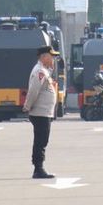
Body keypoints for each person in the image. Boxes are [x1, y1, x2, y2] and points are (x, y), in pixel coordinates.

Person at [22, 45, 59, 179]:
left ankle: (39, 167)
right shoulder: (40, 71)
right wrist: (27, 106)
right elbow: (33, 90)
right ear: (44, 57)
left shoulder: (44, 70)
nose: (54, 58)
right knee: (41, 141)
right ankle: (38, 168)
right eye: (51, 56)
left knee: (42, 140)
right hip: (40, 112)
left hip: (44, 112)